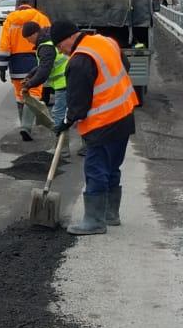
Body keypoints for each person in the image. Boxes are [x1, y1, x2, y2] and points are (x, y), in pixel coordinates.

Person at [52, 21, 137, 234]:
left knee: (95, 169)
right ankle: (110, 214)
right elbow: (125, 66)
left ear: (68, 38)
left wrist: (65, 121)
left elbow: (78, 104)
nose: (60, 51)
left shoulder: (80, 60)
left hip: (103, 123)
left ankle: (94, 221)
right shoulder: (105, 41)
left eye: (59, 46)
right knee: (112, 167)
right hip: (124, 115)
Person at [0, 0, 51, 141]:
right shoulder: (41, 17)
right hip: (36, 59)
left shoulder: (11, 19)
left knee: (20, 93)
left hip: (16, 62)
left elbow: (4, 45)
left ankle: (23, 125)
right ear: (30, 3)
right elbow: (49, 39)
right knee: (34, 92)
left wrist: (2, 67)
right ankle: (26, 127)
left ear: (18, 4)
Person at [21, 19, 68, 137]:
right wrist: (31, 75)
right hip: (69, 80)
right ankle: (84, 147)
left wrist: (29, 84)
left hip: (65, 83)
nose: (29, 42)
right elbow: (44, 64)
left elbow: (44, 71)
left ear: (34, 34)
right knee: (74, 115)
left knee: (59, 115)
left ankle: (63, 152)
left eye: (28, 38)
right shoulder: (49, 40)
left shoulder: (45, 47)